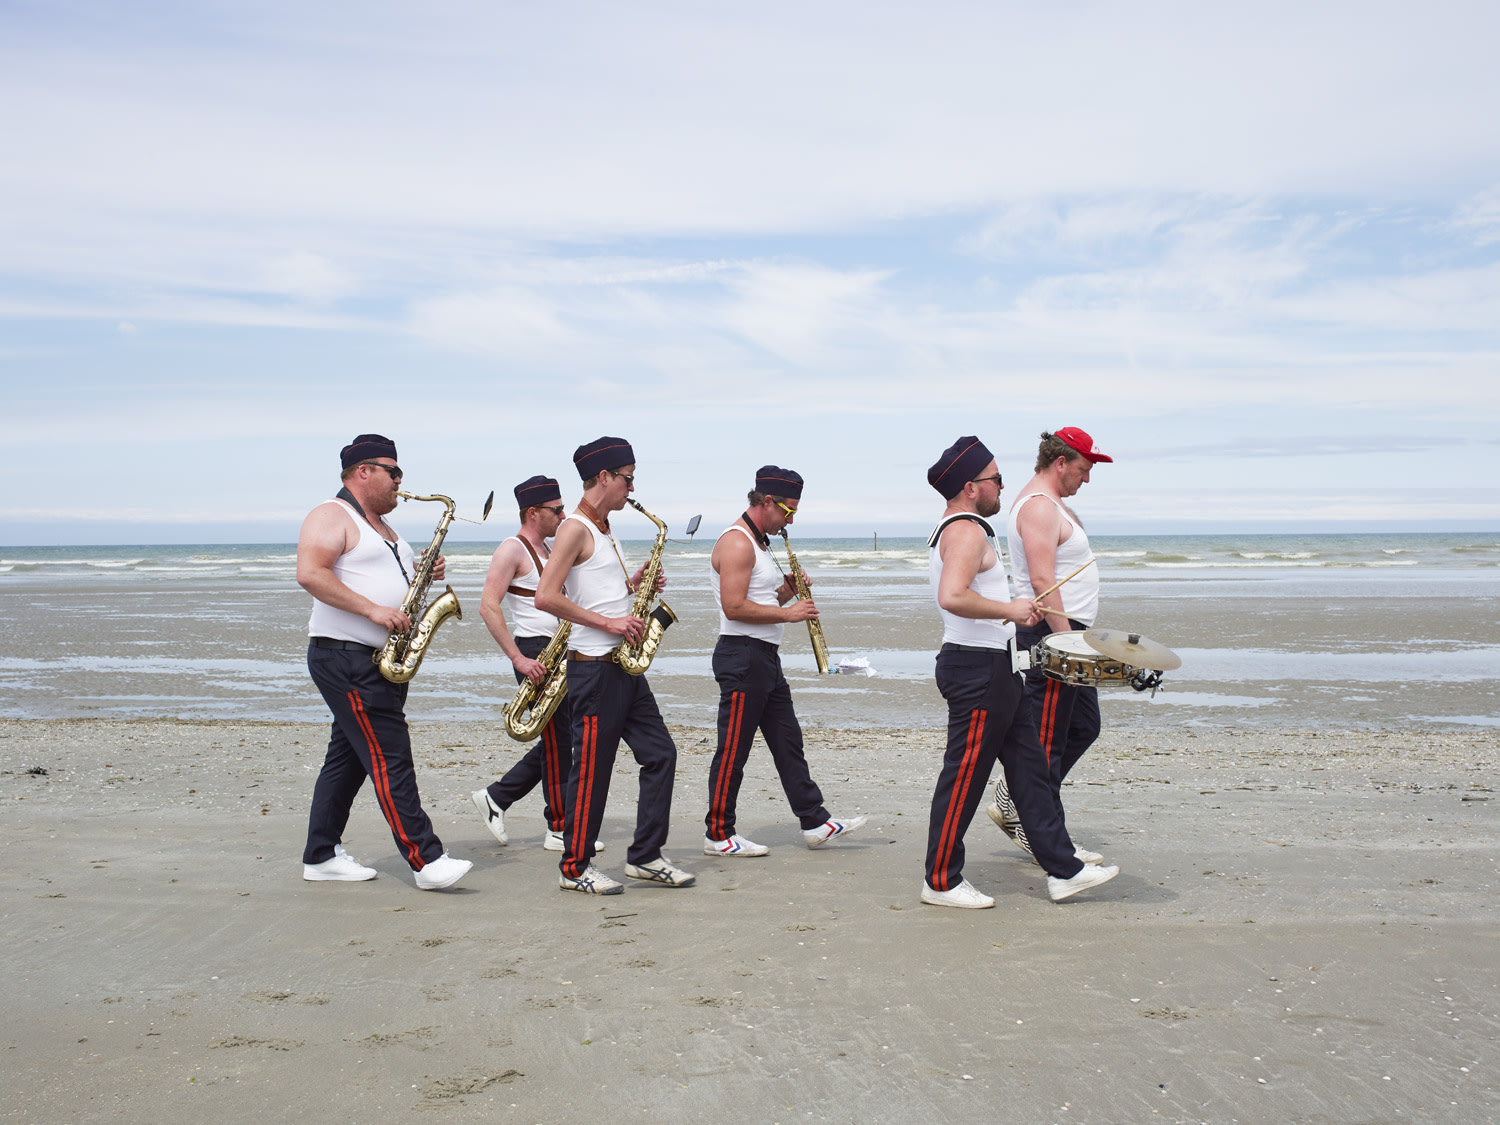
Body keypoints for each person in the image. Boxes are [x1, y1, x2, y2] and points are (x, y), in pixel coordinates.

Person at [922, 435, 1118, 908]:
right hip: (975, 668)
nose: (1002, 487)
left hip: (998, 663)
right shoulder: (966, 530)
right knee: (965, 775)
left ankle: (1064, 870)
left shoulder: (962, 527)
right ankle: (940, 880)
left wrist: (1010, 615)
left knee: (1030, 768)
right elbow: (952, 596)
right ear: (971, 487)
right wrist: (1010, 609)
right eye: (995, 480)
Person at [296, 433, 471, 891]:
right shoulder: (330, 515)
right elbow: (310, 573)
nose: (400, 481)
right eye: (393, 472)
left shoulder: (384, 528)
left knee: (348, 760)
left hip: (381, 659)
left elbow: (386, 584)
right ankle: (426, 860)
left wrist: (420, 575)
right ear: (363, 472)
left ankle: (320, 855)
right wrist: (373, 610)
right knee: (391, 756)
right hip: (346, 656)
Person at [534, 437, 695, 895]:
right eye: (628, 478)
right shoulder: (575, 529)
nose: (632, 487)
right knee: (592, 770)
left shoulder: (605, 528)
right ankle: (574, 867)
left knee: (661, 754)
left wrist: (633, 584)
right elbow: (547, 595)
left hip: (623, 668)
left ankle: (645, 856)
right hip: (594, 668)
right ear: (603, 477)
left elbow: (593, 587)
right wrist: (609, 621)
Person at [702, 466, 866, 858]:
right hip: (741, 655)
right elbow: (734, 607)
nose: (792, 518)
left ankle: (814, 821)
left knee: (788, 742)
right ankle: (718, 834)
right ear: (765, 502)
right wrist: (792, 614)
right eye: (788, 510)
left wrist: (787, 591)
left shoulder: (760, 544)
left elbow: (759, 600)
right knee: (733, 750)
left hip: (762, 657)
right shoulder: (738, 542)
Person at [987, 428, 1110, 864]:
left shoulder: (1056, 505)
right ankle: (1047, 837)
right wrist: (1067, 641)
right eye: (1084, 468)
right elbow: (1041, 581)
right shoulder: (1039, 508)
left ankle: (1017, 796)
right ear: (1061, 462)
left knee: (1083, 727)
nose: (1087, 479)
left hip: (1069, 631)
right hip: (1054, 637)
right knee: (1048, 740)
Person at [471, 474, 602, 854]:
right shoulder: (512, 549)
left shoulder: (548, 548)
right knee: (560, 742)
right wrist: (518, 657)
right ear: (533, 512)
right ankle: (559, 827)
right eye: (556, 510)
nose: (564, 515)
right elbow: (488, 606)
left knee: (560, 739)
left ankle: (497, 797)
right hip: (535, 651)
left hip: (560, 648)